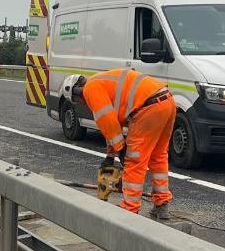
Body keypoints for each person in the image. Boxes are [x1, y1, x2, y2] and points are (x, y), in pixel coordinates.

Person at [70, 69, 176, 218]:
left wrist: (121, 150)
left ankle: (130, 209)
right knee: (158, 156)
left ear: (76, 92)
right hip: (167, 101)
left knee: (134, 160)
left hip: (147, 108)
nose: (82, 103)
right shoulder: (101, 81)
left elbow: (108, 121)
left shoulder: (90, 89)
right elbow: (112, 124)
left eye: (78, 101)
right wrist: (110, 156)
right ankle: (162, 205)